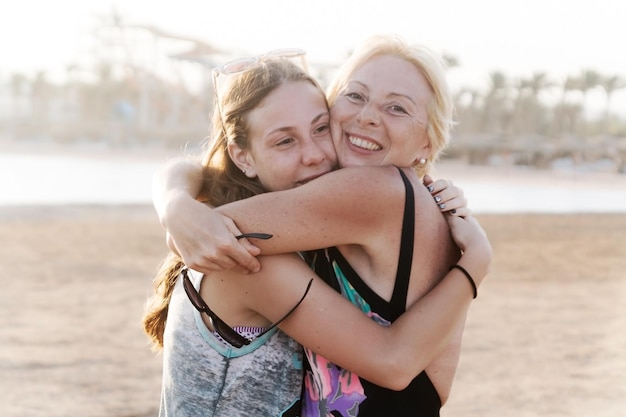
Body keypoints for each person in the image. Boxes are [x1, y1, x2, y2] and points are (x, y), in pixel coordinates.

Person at [150, 36, 491, 417]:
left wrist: (176, 203)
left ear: (429, 142)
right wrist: (174, 200)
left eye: (396, 107)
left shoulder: (376, 191)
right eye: (356, 96)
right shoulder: (392, 205)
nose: (368, 117)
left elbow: (208, 230)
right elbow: (199, 217)